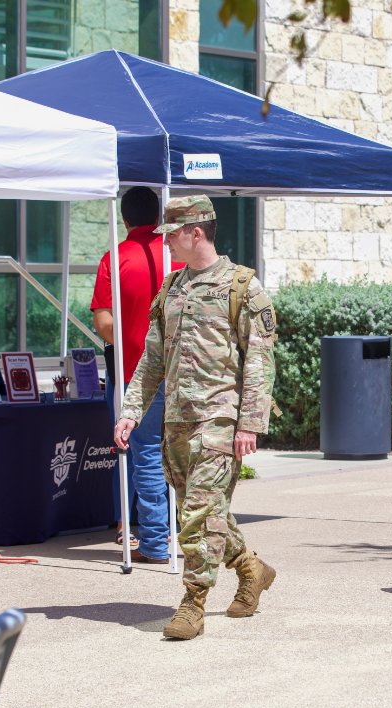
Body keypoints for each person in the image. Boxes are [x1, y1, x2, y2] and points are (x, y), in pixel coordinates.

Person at [114, 195, 278, 640]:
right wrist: (131, 412)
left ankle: (193, 602)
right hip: (176, 421)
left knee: (200, 514)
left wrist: (249, 423)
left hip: (219, 420)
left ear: (195, 232)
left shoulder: (241, 287)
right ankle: (252, 569)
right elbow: (151, 359)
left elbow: (260, 361)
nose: (166, 244)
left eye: (171, 236)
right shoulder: (171, 289)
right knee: (201, 511)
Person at [91, 187, 183, 564]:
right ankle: (190, 536)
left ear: (125, 219)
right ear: (159, 213)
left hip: (135, 371)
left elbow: (103, 321)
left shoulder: (115, 258)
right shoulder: (176, 257)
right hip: (182, 371)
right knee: (183, 454)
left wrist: (136, 343)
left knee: (143, 454)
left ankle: (155, 541)